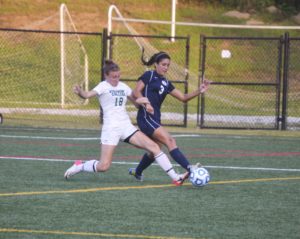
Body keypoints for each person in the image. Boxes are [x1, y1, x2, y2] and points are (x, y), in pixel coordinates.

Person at [64, 60, 189, 186]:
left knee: (154, 147)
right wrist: (80, 92)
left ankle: (176, 177)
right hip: (111, 128)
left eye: (118, 76)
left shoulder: (123, 87)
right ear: (106, 76)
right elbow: (87, 95)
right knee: (103, 166)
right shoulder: (102, 86)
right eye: (113, 77)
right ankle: (80, 166)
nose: (116, 79)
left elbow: (135, 103)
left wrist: (144, 102)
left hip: (126, 126)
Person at [129, 50, 210, 180]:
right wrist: (146, 104)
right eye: (163, 64)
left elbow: (183, 97)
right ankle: (190, 168)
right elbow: (136, 92)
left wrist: (199, 91)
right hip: (145, 117)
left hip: (155, 118)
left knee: (155, 149)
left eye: (167, 65)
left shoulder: (166, 82)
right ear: (156, 64)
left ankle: (137, 172)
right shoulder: (149, 75)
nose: (166, 67)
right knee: (170, 140)